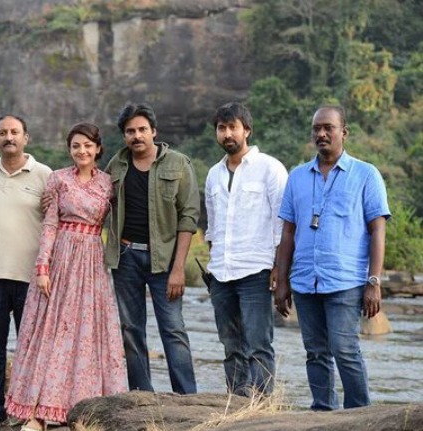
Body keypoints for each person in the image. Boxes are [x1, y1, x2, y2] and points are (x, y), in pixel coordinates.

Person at [5, 122, 127, 431]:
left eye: (88, 145)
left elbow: (121, 218)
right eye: (76, 146)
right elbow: (49, 225)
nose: (82, 151)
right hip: (61, 259)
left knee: (86, 337)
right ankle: (37, 412)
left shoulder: (108, 183)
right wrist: (43, 268)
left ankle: (83, 409)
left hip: (91, 262)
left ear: (98, 149)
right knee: (52, 334)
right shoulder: (58, 179)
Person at [274, 105, 391, 410]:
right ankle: (323, 413)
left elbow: (378, 230)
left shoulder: (366, 174)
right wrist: (282, 281)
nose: (322, 134)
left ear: (344, 132)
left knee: (345, 350)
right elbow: (288, 233)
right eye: (317, 128)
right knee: (315, 352)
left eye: (328, 127)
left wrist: (374, 281)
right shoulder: (297, 177)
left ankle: (359, 416)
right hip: (305, 281)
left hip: (346, 281)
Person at [105, 102, 200, 394]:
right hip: (125, 258)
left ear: (154, 131)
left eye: (142, 129)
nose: (137, 136)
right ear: (124, 136)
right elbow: (93, 197)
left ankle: (187, 397)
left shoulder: (179, 164)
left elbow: (189, 217)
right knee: (130, 329)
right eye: (130, 131)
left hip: (165, 261)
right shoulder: (116, 166)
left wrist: (179, 269)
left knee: (173, 328)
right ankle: (141, 395)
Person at [0, 115, 52, 431]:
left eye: (15, 132)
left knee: (30, 347)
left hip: (32, 277)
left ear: (26, 137)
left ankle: (27, 409)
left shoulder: (45, 175)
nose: (9, 137)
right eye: (2, 133)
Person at [204, 102, 288, 396]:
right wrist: (213, 262)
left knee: (258, 343)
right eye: (222, 128)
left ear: (247, 130)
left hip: (256, 270)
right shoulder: (213, 174)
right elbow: (212, 226)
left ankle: (263, 403)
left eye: (233, 127)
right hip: (221, 272)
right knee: (230, 344)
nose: (227, 134)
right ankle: (237, 401)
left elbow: (282, 222)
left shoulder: (270, 168)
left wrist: (278, 268)